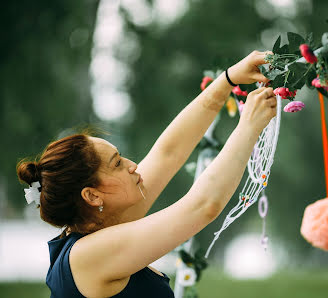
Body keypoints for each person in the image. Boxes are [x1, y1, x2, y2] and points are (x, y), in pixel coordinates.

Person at [16, 50, 276, 298]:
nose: (133, 165)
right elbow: (202, 207)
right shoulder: (87, 255)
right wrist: (249, 127)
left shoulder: (105, 223)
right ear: (92, 196)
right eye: (117, 163)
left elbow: (168, 153)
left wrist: (228, 79)